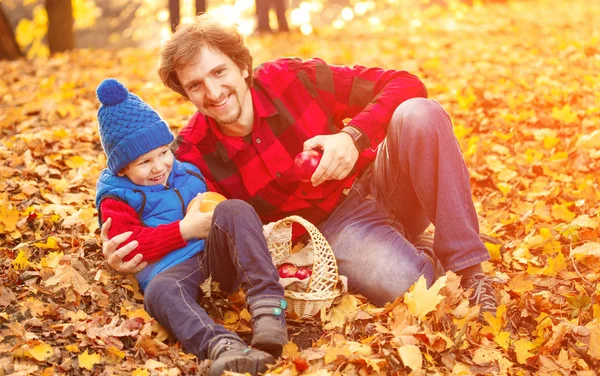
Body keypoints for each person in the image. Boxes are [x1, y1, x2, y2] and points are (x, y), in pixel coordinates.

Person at [101, 16, 498, 316]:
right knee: (411, 286)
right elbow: (141, 187)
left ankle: (471, 270)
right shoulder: (193, 153)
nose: (213, 92)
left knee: (419, 114)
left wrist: (352, 137)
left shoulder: (293, 79)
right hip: (336, 228)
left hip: (381, 180)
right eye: (195, 85)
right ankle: (419, 250)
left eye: (219, 72)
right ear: (185, 93)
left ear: (242, 66)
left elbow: (405, 84)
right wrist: (120, 244)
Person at [94, 78, 288, 376]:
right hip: (171, 273)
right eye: (144, 162)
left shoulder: (188, 173)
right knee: (160, 292)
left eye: (162, 153)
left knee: (234, 209)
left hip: (213, 260)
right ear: (122, 169)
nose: (159, 167)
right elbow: (129, 245)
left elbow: (219, 213)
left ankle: (268, 310)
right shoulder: (117, 198)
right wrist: (184, 229)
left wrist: (222, 222)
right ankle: (221, 346)